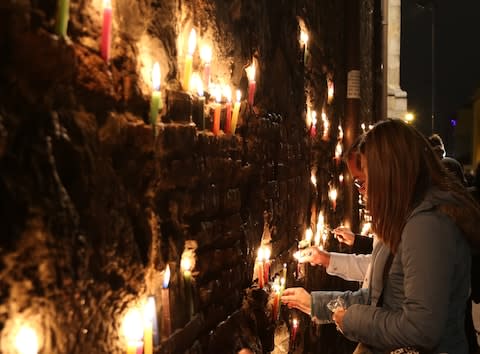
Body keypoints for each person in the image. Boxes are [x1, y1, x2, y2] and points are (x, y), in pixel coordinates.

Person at [282, 119, 480, 353]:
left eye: (364, 181)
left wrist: (352, 320)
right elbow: (376, 298)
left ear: (388, 173)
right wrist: (318, 305)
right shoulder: (404, 220)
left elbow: (422, 328)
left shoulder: (428, 226)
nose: (362, 193)